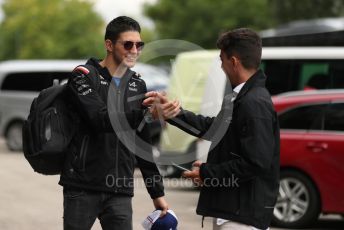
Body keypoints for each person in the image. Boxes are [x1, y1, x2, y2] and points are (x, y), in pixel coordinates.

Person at [144, 28, 280, 230]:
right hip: (234, 214)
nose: (221, 66)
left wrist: (207, 173)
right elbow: (213, 128)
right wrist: (172, 113)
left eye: (222, 59)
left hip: (241, 219)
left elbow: (256, 162)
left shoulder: (254, 103)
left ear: (233, 62)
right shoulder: (242, 97)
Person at [59, 16, 168, 230]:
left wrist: (157, 193)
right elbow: (99, 118)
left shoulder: (137, 84)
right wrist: (146, 113)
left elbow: (142, 142)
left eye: (139, 45)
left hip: (120, 190)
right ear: (109, 45)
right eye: (128, 44)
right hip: (82, 186)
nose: (134, 50)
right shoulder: (83, 77)